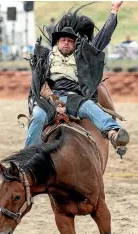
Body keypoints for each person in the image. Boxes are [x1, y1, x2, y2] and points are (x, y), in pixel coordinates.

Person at [25, 1, 130, 157]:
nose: (66, 43)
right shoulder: (46, 58)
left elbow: (103, 37)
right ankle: (28, 155)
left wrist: (113, 11)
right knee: (38, 116)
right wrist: (53, 99)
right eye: (63, 40)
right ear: (57, 42)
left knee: (92, 109)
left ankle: (113, 134)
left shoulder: (82, 56)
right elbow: (39, 83)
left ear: (75, 44)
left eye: (70, 40)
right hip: (51, 99)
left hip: (75, 97)